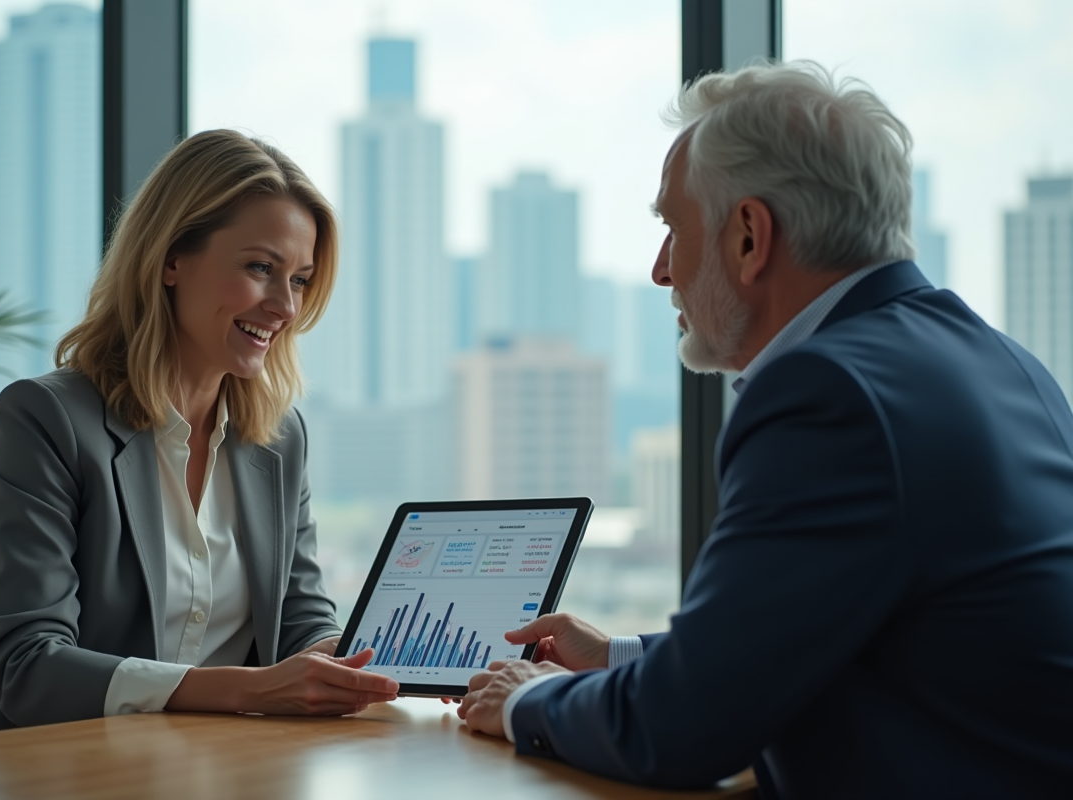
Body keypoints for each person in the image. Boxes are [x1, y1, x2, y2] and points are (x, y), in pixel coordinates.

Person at [457, 62, 1073, 798]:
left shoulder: (828, 392)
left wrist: (523, 700)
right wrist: (618, 655)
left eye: (673, 231)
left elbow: (682, 730)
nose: (661, 272)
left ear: (750, 237)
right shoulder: (1004, 362)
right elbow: (837, 638)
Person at [0, 130, 398, 734]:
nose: (286, 308)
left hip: (200, 767)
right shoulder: (45, 419)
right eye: (261, 268)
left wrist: (364, 662)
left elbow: (300, 618)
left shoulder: (279, 439)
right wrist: (250, 689)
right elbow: (27, 666)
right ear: (170, 259)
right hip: (39, 766)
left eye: (299, 280)